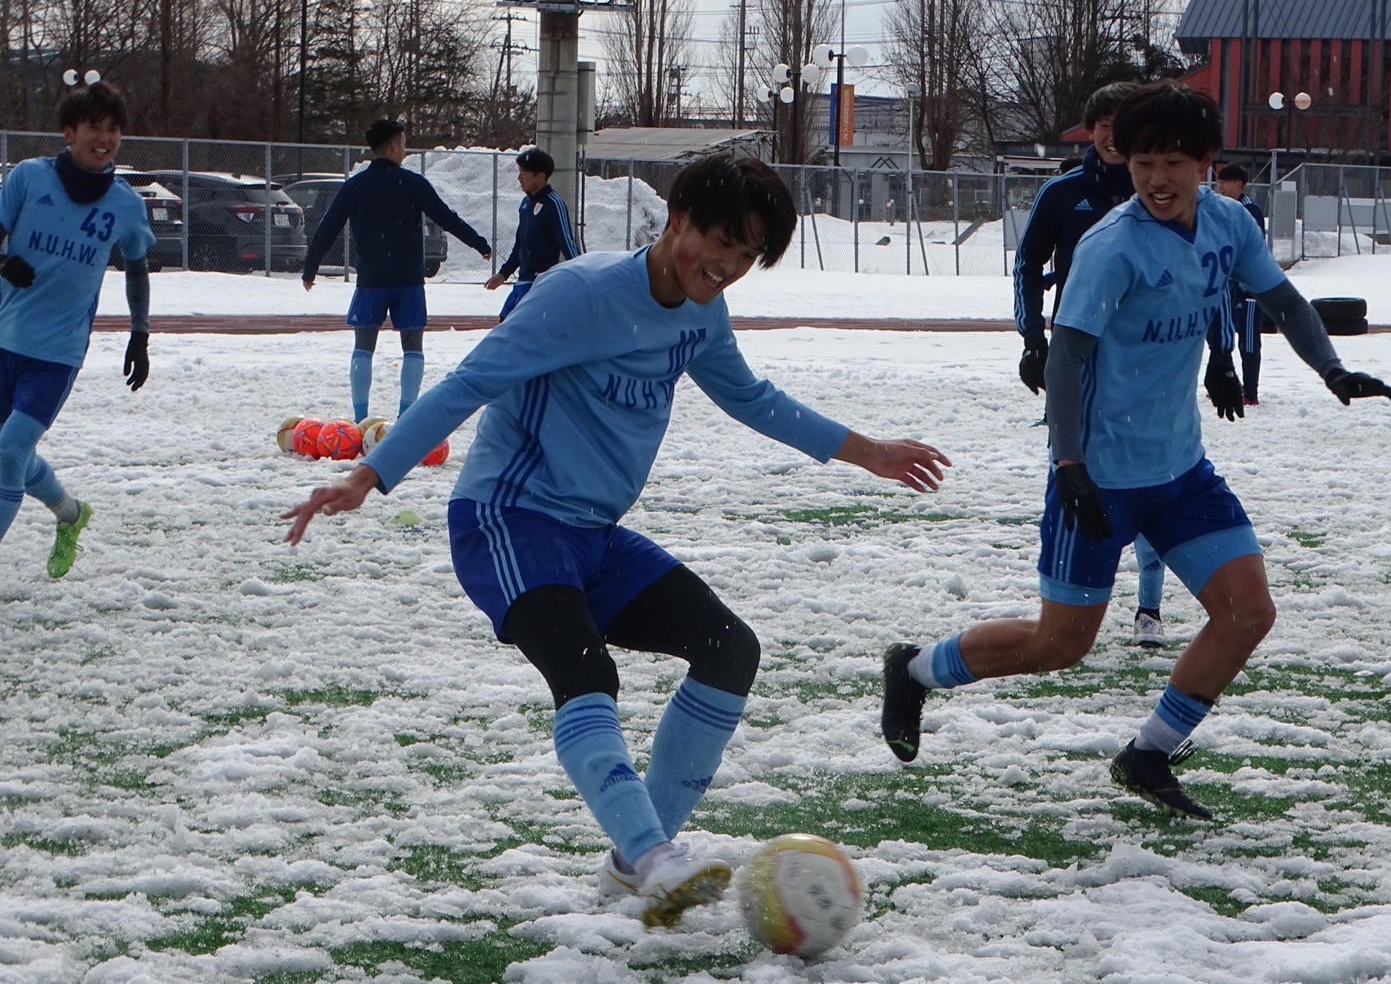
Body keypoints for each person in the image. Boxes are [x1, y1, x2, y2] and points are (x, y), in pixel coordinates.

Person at [283, 153, 950, 926]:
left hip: (593, 537)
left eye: (747, 255)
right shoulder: (581, 294)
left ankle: (638, 860)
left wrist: (868, 452)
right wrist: (369, 474)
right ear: (677, 219)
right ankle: (655, 858)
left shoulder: (701, 313)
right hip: (508, 520)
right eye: (721, 242)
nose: (728, 266)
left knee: (729, 649)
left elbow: (751, 398)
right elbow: (472, 381)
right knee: (585, 671)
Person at [884, 80, 1391, 820]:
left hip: (1181, 471)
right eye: (1142, 163)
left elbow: (1283, 302)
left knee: (1248, 613)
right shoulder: (1112, 246)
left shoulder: (1228, 223)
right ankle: (914, 669)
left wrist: (1333, 370)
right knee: (1060, 644)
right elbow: (1068, 358)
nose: (1156, 179)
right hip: (1099, 474)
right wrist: (1070, 464)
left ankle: (1149, 752)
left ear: (1205, 162)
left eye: (1172, 163)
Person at [1013, 82, 1173, 649]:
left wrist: (1220, 356)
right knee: (1071, 470)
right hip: (1078, 362)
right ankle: (1065, 605)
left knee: (1156, 473)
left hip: (1149, 364)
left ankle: (1149, 606)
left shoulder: (1163, 195)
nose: (1112, 136)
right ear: (1092, 130)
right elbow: (1028, 265)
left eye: (1123, 124)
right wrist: (1033, 338)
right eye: (1104, 124)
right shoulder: (1063, 193)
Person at [0, 79, 153, 578]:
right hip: (4, 338)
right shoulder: (29, 178)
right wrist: (3, 262)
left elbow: (136, 269)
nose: (104, 138)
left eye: (114, 129)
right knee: (11, 453)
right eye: (94, 127)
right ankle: (70, 513)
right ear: (69, 133)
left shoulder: (126, 205)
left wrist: (140, 334)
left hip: (57, 354)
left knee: (9, 450)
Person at [302, 118, 493, 422]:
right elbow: (446, 218)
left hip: (371, 280)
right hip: (408, 280)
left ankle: (360, 417)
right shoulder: (412, 183)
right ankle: (407, 416)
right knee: (412, 347)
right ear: (392, 147)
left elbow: (327, 227)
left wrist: (310, 268)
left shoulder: (355, 186)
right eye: (403, 144)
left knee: (363, 347)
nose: (405, 150)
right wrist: (479, 243)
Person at [484, 146, 581, 319]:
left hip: (540, 284)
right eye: (519, 172)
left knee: (518, 327)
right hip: (522, 282)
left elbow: (567, 243)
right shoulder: (526, 204)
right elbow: (520, 244)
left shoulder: (554, 204)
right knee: (505, 322)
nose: (519, 178)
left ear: (541, 176)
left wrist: (583, 275)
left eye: (525, 172)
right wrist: (504, 273)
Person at [1216, 163, 1269, 405]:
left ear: (1239, 185)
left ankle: (1250, 393)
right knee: (1218, 335)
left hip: (1248, 288)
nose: (1221, 188)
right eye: (1219, 183)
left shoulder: (1250, 211)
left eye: (1225, 183)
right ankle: (1226, 382)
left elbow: (1247, 248)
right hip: (1228, 285)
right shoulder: (1223, 209)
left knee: (1248, 340)